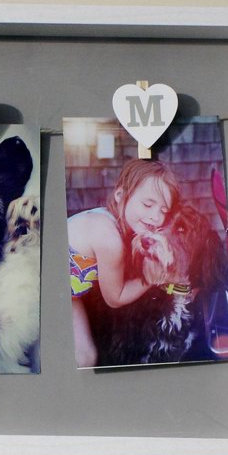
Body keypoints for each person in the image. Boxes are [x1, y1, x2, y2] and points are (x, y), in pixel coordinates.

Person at [68, 158, 181, 368]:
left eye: (163, 211)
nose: (155, 217)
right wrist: (152, 279)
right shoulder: (109, 238)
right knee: (80, 357)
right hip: (41, 287)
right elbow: (115, 298)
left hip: (69, 296)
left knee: (86, 357)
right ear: (120, 195)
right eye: (148, 205)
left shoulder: (113, 221)